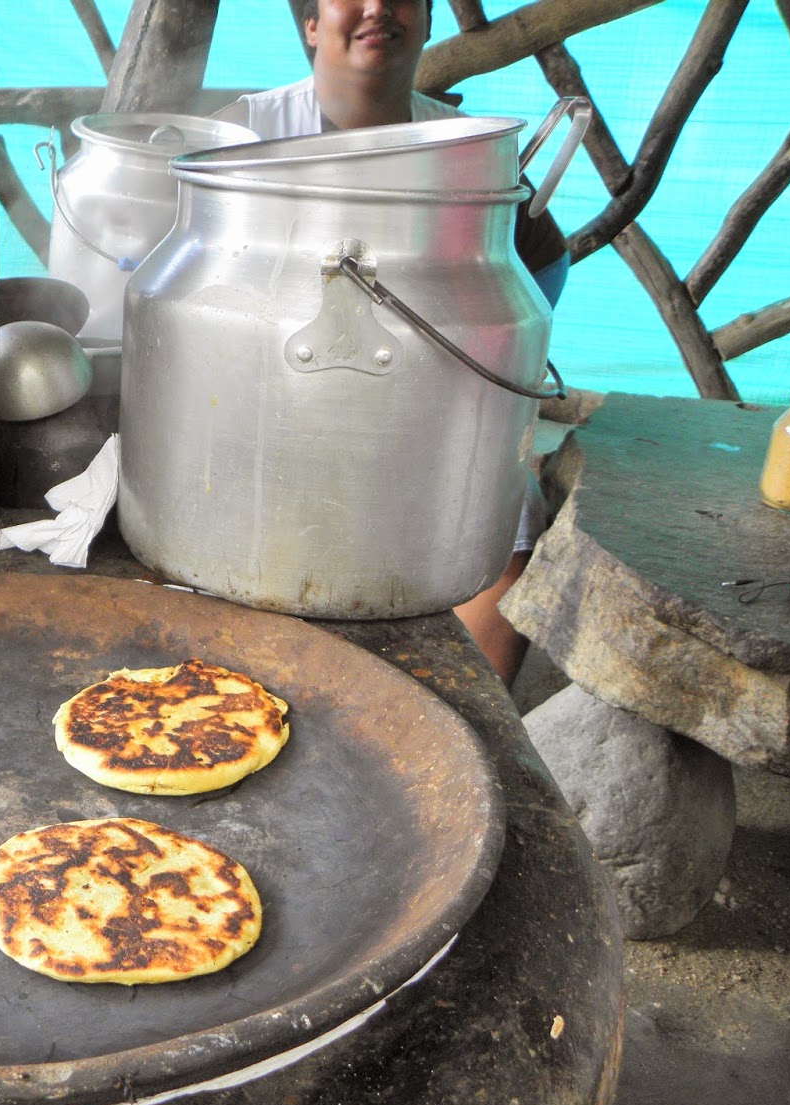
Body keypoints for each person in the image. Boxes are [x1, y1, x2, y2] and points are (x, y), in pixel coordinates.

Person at [212, 0, 564, 687]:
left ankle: (462, 716)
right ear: (310, 23)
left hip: (420, 401)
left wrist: (491, 359)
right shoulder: (246, 134)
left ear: (429, 21)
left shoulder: (464, 147)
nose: (378, 7)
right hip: (270, 400)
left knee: (505, 511)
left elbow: (540, 258)